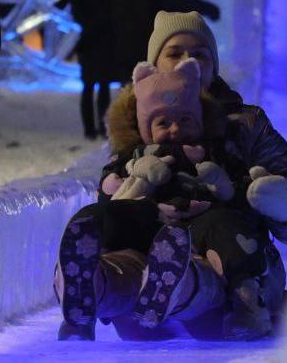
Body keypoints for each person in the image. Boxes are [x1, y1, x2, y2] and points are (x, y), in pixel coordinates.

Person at [55, 10, 287, 342]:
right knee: (127, 259)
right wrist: (125, 200)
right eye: (174, 53)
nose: (187, 60)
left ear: (212, 63)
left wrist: (283, 204)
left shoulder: (245, 124)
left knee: (203, 260)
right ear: (155, 63)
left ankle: (182, 289)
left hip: (230, 254)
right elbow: (115, 186)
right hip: (147, 245)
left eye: (199, 53)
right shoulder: (139, 126)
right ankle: (94, 287)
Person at [93, 59, 275, 337]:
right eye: (163, 122)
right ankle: (93, 280)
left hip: (203, 229)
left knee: (225, 225)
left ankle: (243, 300)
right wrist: (131, 182)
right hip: (150, 228)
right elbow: (109, 192)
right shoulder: (134, 155)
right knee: (115, 219)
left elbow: (243, 192)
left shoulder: (215, 150)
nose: (175, 129)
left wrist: (224, 185)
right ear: (144, 127)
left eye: (185, 120)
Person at [68, 0, 121, 140]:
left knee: (88, 87)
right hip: (105, 41)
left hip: (89, 43)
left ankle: (89, 129)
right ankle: (103, 126)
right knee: (103, 86)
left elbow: (77, 13)